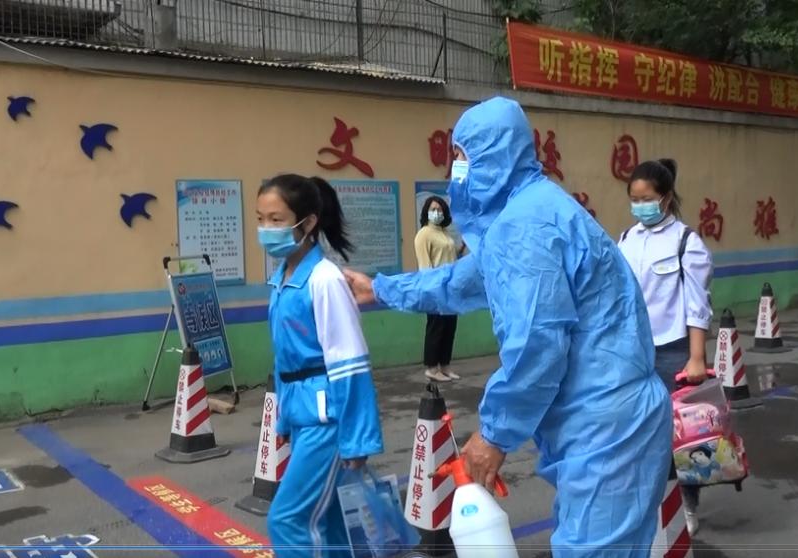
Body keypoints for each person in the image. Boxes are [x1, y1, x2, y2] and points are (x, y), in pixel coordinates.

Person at [342, 97, 671, 557]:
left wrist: (493, 435)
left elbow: (537, 345)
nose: (454, 168)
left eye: (461, 156)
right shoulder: (530, 212)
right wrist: (381, 289)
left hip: (605, 424)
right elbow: (465, 280)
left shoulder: (524, 226)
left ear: (492, 156)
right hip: (604, 419)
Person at [258, 174, 384, 557]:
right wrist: (283, 420)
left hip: (327, 423)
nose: (265, 230)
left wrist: (358, 439)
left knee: (288, 519)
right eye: (261, 219)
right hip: (303, 415)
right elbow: (286, 359)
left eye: (277, 220)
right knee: (330, 523)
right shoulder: (282, 278)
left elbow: (350, 363)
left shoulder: (325, 279)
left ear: (308, 223)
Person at [616, 159, 714, 536]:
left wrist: (696, 358)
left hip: (673, 352)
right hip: (633, 353)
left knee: (681, 437)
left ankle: (686, 504)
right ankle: (646, 502)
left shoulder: (687, 242)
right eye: (634, 199)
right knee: (639, 432)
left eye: (648, 198)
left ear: (667, 197)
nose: (640, 206)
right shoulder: (626, 239)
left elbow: (696, 306)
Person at [414, 196, 462, 383]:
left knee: (450, 328)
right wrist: (433, 288)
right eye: (433, 209)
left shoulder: (445, 233)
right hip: (435, 289)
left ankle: (445, 365)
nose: (437, 213)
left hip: (451, 288)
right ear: (426, 212)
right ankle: (432, 368)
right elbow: (425, 266)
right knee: (436, 327)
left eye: (440, 209)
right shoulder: (424, 234)